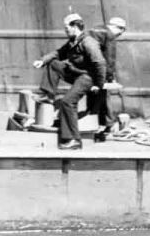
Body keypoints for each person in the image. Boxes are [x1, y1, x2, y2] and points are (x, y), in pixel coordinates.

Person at [33, 13, 106, 149]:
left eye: (66, 28)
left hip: (87, 77)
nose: (65, 31)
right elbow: (58, 53)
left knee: (68, 102)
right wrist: (42, 61)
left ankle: (74, 139)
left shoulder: (88, 42)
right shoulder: (74, 41)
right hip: (76, 73)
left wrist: (98, 84)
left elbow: (100, 63)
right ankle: (48, 95)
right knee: (53, 63)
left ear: (75, 27)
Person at [89, 17, 127, 135]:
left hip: (89, 70)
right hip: (101, 72)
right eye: (121, 31)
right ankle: (108, 125)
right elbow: (110, 59)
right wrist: (110, 77)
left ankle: (96, 123)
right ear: (118, 28)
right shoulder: (110, 36)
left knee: (95, 97)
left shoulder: (96, 30)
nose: (120, 34)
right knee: (104, 97)